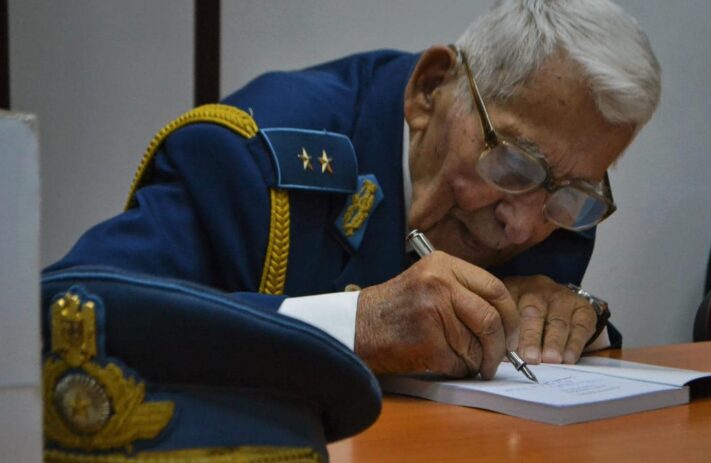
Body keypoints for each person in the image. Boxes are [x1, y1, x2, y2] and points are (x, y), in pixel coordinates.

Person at [47, 0, 661, 380]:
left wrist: (566, 321)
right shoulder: (252, 153)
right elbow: (61, 312)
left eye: (570, 192)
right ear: (429, 91)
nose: (523, 226)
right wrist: (355, 327)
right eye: (515, 164)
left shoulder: (559, 212)